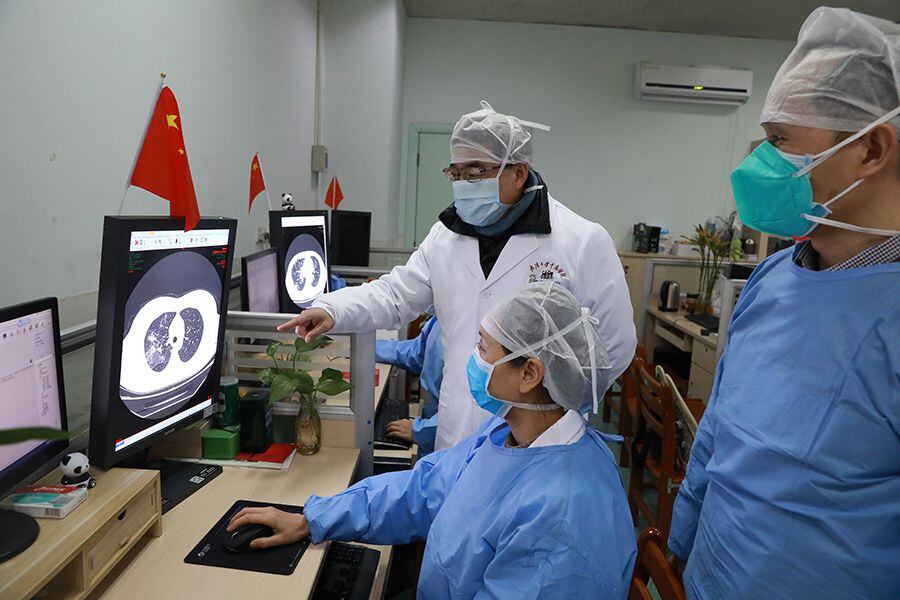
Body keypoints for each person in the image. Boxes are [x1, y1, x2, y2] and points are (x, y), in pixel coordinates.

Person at [669, 8, 900, 599]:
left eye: (779, 141)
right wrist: (682, 539)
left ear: (872, 149)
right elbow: (718, 430)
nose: (759, 163)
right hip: (709, 572)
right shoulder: (773, 277)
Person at [229, 282, 637, 598]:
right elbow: (424, 488)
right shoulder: (508, 434)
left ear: (529, 374)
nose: (472, 361)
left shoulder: (563, 517)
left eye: (483, 348)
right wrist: (315, 518)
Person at [280, 101, 636, 450]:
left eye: (476, 172)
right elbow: (395, 294)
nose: (464, 183)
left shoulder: (581, 242)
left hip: (539, 440)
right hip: (456, 428)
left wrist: (552, 407)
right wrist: (333, 309)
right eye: (456, 172)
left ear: (518, 172)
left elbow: (614, 345)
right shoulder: (446, 236)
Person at [375, 313, 443, 455]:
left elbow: (464, 410)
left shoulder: (469, 332)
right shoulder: (439, 321)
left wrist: (422, 431)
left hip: (441, 437)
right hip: (432, 422)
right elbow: (416, 354)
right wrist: (369, 348)